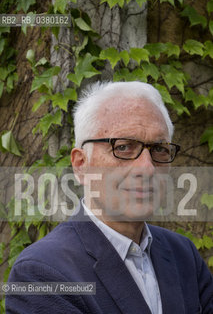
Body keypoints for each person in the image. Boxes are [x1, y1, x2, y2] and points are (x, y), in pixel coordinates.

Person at [6, 81, 213, 313]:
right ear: (81, 164)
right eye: (123, 147)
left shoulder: (183, 254)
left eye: (159, 149)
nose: (147, 168)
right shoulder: (42, 272)